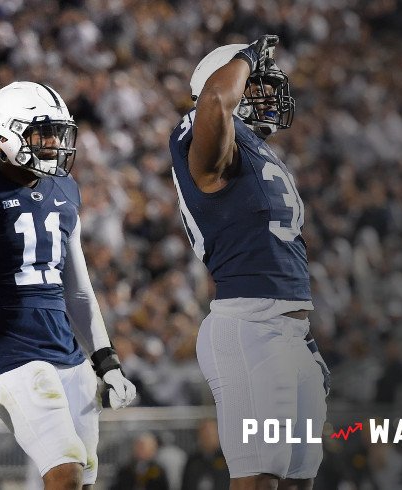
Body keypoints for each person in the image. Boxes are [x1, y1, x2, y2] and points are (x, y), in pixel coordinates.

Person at [0, 81, 137, 490]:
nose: (55, 144)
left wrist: (106, 360)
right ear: (6, 133)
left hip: (67, 351)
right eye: (43, 133)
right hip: (10, 352)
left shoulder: (64, 191)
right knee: (66, 471)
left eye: (59, 134)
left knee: (84, 478)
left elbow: (77, 290)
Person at [169, 35, 330, 489]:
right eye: (254, 84)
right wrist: (244, 54)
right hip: (250, 329)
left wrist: (303, 337)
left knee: (298, 481)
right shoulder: (205, 135)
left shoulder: (256, 150)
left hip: (289, 330)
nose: (265, 94)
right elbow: (217, 101)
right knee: (259, 480)